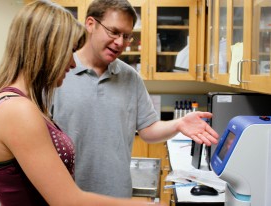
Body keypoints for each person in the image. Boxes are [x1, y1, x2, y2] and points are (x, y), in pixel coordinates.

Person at [0, 1, 162, 205]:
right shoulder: (18, 110)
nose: (74, 62)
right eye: (70, 50)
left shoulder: (11, 100)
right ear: (47, 48)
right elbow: (68, 201)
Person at [52, 0, 219, 198]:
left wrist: (178, 124)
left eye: (127, 36)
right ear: (90, 24)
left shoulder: (130, 77)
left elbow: (147, 130)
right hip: (66, 196)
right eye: (113, 32)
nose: (120, 43)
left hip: (117, 196)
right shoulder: (58, 73)